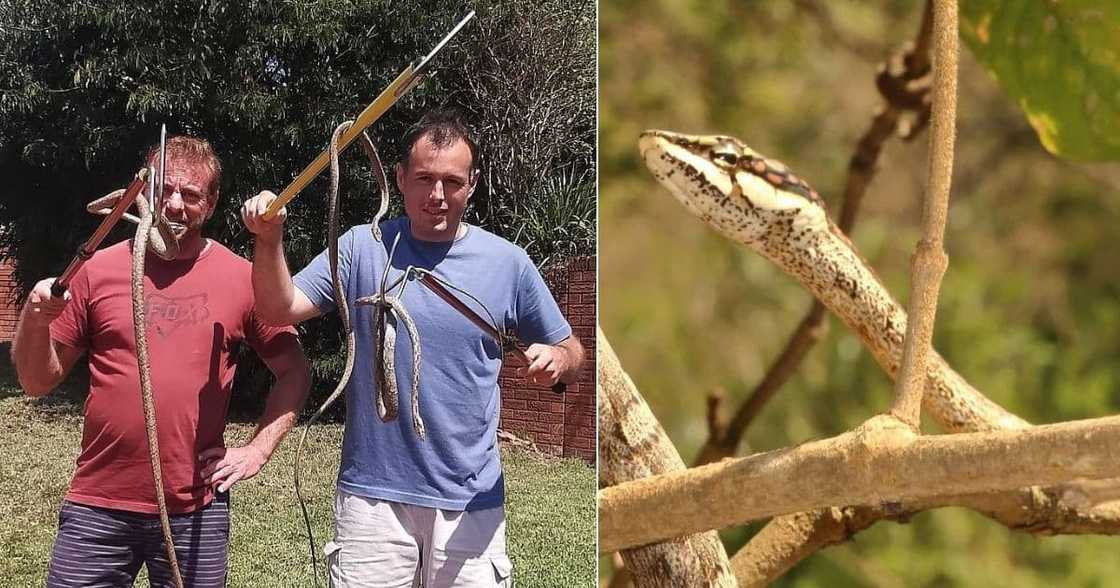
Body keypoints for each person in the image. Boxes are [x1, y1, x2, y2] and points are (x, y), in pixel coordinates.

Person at [241, 109, 585, 587]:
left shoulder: (508, 264)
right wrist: (269, 241)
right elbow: (278, 310)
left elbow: (573, 349)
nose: (438, 196)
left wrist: (559, 359)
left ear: (473, 183)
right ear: (400, 178)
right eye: (424, 179)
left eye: (452, 181)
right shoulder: (363, 247)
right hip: (373, 501)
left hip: (470, 503)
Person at [11, 135, 311, 587]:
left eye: (190, 195)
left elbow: (295, 372)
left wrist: (257, 450)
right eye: (162, 190)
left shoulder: (240, 278)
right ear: (142, 193)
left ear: (210, 204)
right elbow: (37, 382)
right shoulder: (99, 268)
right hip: (98, 504)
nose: (173, 205)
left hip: (195, 511)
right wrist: (34, 321)